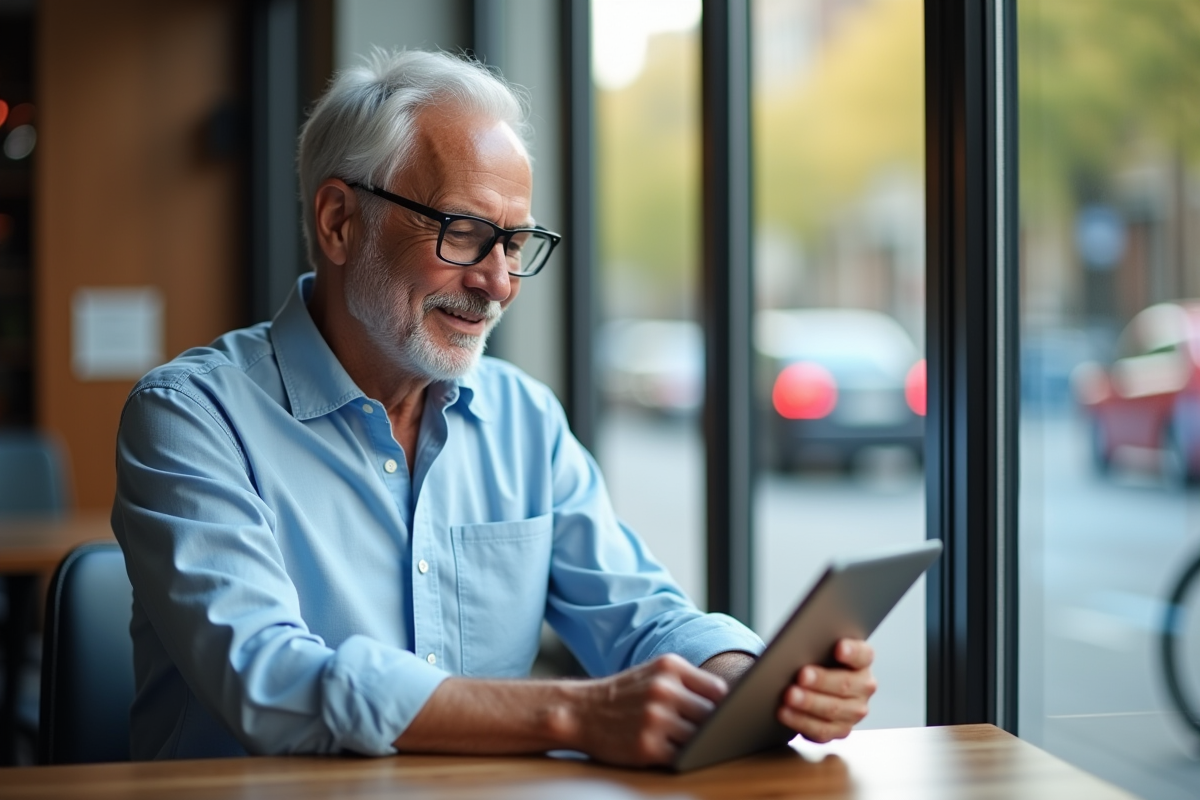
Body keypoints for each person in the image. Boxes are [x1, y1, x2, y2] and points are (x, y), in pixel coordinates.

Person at [112, 49, 876, 765]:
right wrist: (573, 715)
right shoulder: (191, 416)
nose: (500, 282)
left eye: (514, 244)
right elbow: (268, 679)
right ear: (340, 221)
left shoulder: (522, 419)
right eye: (466, 233)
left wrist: (754, 680)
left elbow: (641, 615)